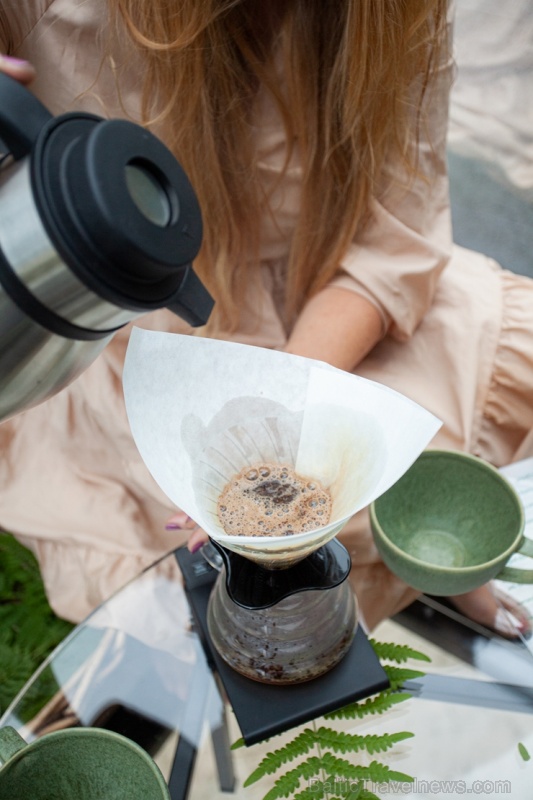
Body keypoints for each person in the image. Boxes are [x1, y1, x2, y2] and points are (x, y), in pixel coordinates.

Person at [0, 0, 532, 637]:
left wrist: (279, 402)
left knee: (395, 485)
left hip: (337, 306)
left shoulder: (396, 14)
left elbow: (395, 238)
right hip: (144, 328)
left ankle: (419, 563)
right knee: (221, 569)